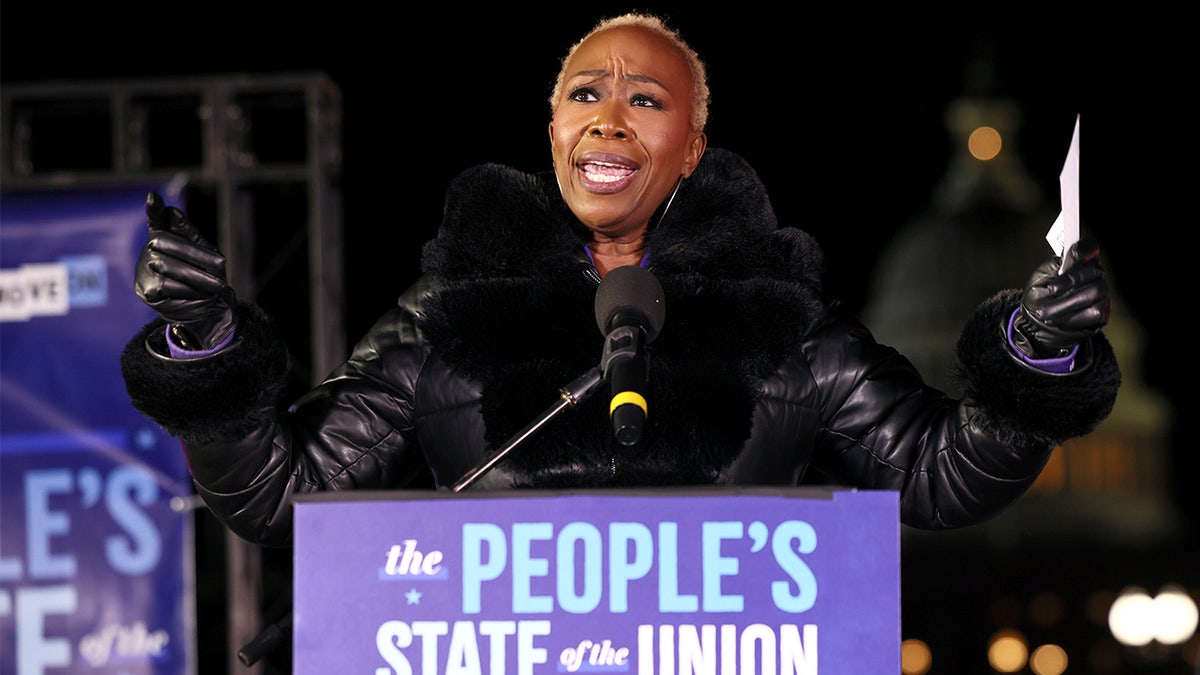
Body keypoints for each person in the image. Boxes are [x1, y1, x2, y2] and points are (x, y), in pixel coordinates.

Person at [120, 13, 1119, 550]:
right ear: (552, 131)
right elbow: (277, 496)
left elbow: (944, 477)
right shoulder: (449, 321)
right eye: (584, 95)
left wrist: (1038, 353)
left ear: (689, 148)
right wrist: (207, 343)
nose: (609, 118)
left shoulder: (781, 324)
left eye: (647, 100)